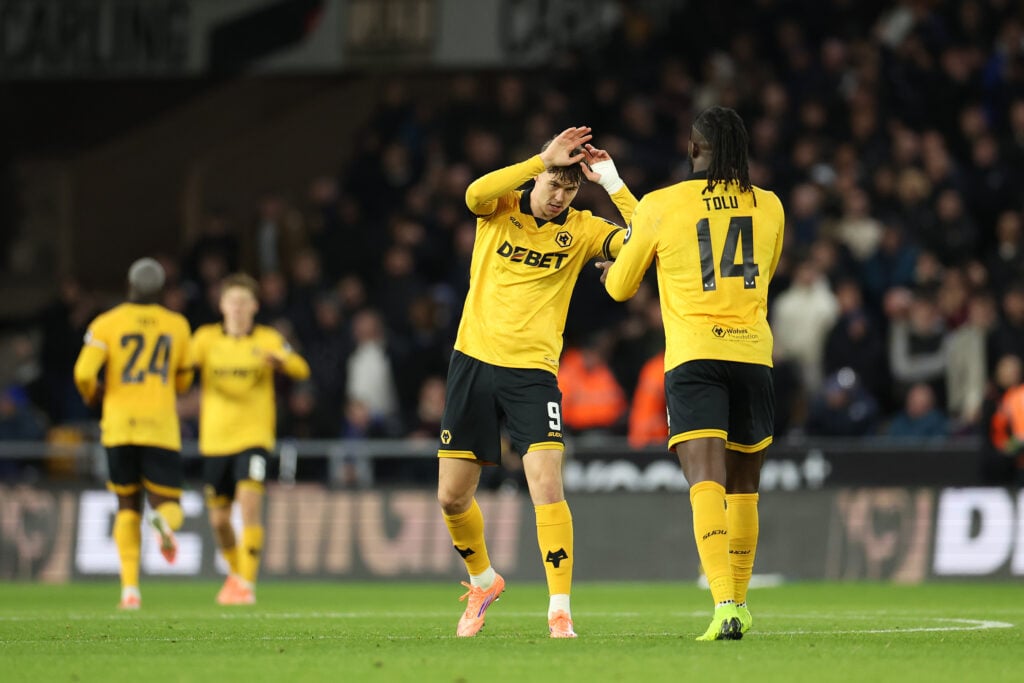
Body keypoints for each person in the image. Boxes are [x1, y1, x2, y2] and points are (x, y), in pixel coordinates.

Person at [437, 126, 637, 639]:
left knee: (547, 487)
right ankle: (483, 582)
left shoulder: (585, 229)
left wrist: (612, 183)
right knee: (452, 498)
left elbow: (643, 240)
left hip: (533, 374)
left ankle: (559, 610)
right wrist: (539, 159)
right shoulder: (500, 207)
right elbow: (472, 194)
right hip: (473, 362)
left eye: (569, 189)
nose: (559, 197)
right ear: (537, 177)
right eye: (553, 184)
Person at [599, 106, 785, 641]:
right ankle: (740, 604)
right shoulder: (771, 206)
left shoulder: (663, 203)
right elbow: (765, 274)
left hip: (695, 355)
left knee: (706, 480)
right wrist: (614, 186)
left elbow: (622, 286)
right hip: (752, 353)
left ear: (694, 149)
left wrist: (613, 271)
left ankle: (723, 603)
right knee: (744, 488)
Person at [72, 258, 193, 610]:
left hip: (119, 426)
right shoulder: (177, 325)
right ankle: (162, 522)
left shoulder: (107, 323)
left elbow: (83, 373)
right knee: (169, 505)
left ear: (129, 284)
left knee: (126, 506)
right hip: (160, 427)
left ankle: (130, 590)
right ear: (162, 290)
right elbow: (184, 380)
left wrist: (92, 394)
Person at [191, 273, 310, 605]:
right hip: (215, 441)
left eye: (244, 302)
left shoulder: (268, 339)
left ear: (255, 306)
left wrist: (282, 361)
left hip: (254, 438)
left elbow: (301, 369)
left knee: (249, 507)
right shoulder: (205, 339)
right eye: (233, 301)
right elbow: (182, 368)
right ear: (221, 305)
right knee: (219, 520)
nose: (238, 308)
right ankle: (236, 575)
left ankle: (246, 583)